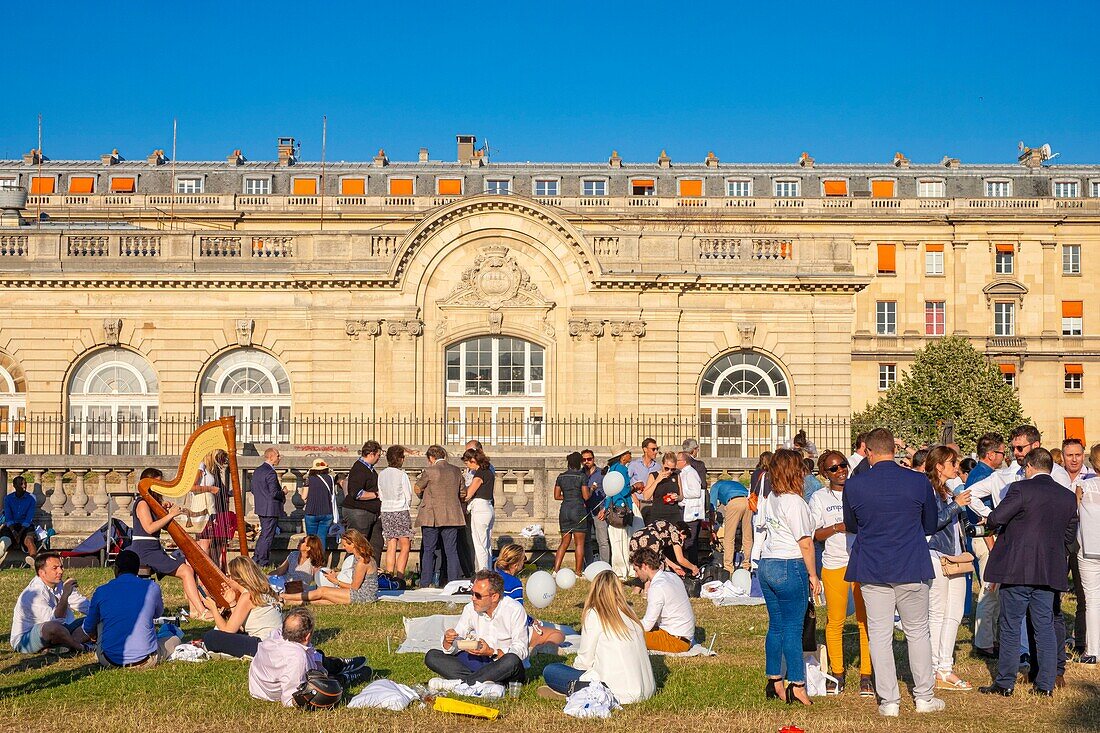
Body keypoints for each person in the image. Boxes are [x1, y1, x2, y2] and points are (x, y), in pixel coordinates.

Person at [843, 428, 945, 717]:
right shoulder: (917, 481)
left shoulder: (855, 485)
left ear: (869, 452)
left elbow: (851, 524)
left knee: (879, 634)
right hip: (910, 562)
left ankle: (889, 701)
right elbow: (930, 523)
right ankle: (924, 696)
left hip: (873, 564)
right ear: (894, 450)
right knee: (917, 632)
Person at [979, 448, 1078, 697]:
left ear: (1030, 467)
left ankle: (1005, 682)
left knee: (1011, 625)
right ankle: (1045, 684)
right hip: (1049, 569)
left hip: (1017, 568)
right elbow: (1069, 535)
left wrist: (990, 521)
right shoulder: (1066, 496)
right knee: (1044, 626)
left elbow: (998, 517)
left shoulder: (1021, 489)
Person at [756, 448, 820, 707]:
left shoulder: (771, 497)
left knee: (776, 626)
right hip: (789, 564)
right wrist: (813, 575)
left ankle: (774, 680)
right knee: (794, 628)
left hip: (768, 562)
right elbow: (805, 543)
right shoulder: (795, 502)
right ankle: (798, 683)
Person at [539, 570, 656, 702]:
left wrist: (574, 669)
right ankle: (573, 690)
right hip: (647, 689)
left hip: (616, 691)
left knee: (551, 670)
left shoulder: (595, 613)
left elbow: (584, 661)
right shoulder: (630, 612)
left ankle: (575, 691)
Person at [809, 450, 872, 697]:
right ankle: (837, 673)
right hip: (834, 564)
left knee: (865, 621)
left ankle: (866, 675)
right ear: (825, 473)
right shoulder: (819, 498)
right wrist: (838, 527)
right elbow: (814, 534)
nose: (840, 471)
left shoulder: (860, 490)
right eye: (833, 468)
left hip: (862, 562)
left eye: (843, 465)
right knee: (835, 621)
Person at [923, 446, 974, 691]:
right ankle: (933, 669)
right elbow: (930, 523)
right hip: (936, 556)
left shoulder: (948, 490)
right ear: (939, 466)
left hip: (956, 556)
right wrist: (956, 505)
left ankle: (946, 666)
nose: (957, 466)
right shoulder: (927, 490)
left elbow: (956, 524)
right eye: (952, 462)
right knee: (937, 613)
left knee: (954, 614)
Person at [424, 569, 528, 686]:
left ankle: (461, 684)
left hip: (502, 663)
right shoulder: (470, 609)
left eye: (478, 595)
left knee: (511, 660)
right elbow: (458, 640)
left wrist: (491, 652)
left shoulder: (514, 610)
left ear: (494, 597)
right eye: (472, 593)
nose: (473, 598)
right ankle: (483, 682)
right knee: (432, 656)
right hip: (480, 662)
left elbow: (521, 650)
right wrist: (448, 641)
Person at [249, 607, 369, 706]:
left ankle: (338, 664)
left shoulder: (276, 635)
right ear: (307, 636)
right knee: (322, 686)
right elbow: (291, 697)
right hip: (272, 692)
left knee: (317, 655)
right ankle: (343, 679)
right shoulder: (297, 658)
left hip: (258, 685)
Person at [130, 468, 209, 618]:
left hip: (154, 549)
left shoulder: (153, 503)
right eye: (158, 483)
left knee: (190, 565)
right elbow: (149, 527)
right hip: (145, 551)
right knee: (186, 571)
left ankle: (195, 609)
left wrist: (165, 512)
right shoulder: (142, 503)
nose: (161, 487)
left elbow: (160, 524)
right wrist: (170, 515)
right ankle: (201, 611)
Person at [82, 549, 178, 668]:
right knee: (174, 639)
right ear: (138, 570)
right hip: (147, 659)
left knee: (101, 619)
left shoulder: (101, 591)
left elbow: (88, 627)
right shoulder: (152, 587)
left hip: (108, 660)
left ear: (116, 569)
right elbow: (157, 614)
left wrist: (96, 637)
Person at [964, 432, 1009, 659]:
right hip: (986, 538)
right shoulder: (984, 475)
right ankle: (984, 642)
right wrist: (991, 518)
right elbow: (970, 500)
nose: (1004, 456)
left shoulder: (980, 472)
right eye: (1002, 452)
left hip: (984, 537)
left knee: (993, 591)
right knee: (989, 590)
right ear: (991, 454)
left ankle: (990, 639)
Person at [10, 551, 91, 654]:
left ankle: (63, 645)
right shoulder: (34, 593)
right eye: (55, 568)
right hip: (25, 640)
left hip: (62, 628)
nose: (61, 571)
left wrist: (101, 612)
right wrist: (65, 595)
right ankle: (79, 647)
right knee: (53, 627)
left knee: (95, 619)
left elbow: (82, 604)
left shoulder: (59, 584)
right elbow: (53, 621)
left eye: (61, 567)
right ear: (42, 573)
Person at [202, 555, 283, 657]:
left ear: (237, 578)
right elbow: (239, 626)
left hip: (262, 646)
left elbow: (228, 631)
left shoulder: (248, 596)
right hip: (276, 643)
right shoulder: (266, 592)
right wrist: (232, 603)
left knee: (211, 636)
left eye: (229, 575)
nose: (228, 579)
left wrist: (213, 609)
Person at [494, 544, 566, 650]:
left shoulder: (491, 576)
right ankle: (538, 649)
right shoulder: (514, 583)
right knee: (558, 635)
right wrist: (531, 621)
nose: (525, 562)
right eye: (524, 559)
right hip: (508, 630)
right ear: (515, 565)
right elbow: (518, 612)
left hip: (490, 625)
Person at [282, 529, 378, 605]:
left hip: (363, 596)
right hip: (363, 594)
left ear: (353, 544)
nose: (343, 548)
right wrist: (336, 574)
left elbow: (355, 587)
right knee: (326, 599)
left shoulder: (362, 561)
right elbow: (356, 575)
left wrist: (335, 581)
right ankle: (294, 602)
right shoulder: (359, 557)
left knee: (322, 591)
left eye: (345, 545)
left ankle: (286, 597)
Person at [415, 445, 466, 587]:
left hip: (431, 515)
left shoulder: (430, 470)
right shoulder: (456, 470)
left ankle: (425, 582)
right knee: (451, 551)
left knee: (429, 550)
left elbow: (418, 487)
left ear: (431, 458)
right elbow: (463, 493)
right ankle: (453, 582)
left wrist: (422, 495)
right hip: (452, 515)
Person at [1062, 438, 1095, 658]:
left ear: (1083, 455)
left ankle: (1081, 640)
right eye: (1069, 455)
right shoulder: (1057, 477)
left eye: (1077, 454)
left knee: (1084, 594)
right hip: (1059, 540)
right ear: (1063, 456)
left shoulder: (1093, 478)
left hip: (1084, 542)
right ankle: (1055, 637)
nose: (1074, 459)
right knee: (1054, 592)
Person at [630, 547, 696, 653]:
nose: (636, 575)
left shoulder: (657, 586)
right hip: (683, 636)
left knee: (627, 635)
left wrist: (627, 624)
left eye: (636, 570)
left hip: (676, 641)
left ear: (644, 566)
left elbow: (647, 625)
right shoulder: (672, 576)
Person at [342, 441, 384, 563]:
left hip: (370, 513)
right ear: (371, 454)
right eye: (378, 455)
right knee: (356, 545)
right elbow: (356, 493)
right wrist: (376, 495)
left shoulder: (368, 469)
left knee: (375, 544)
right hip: (359, 512)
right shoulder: (360, 469)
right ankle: (349, 572)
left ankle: (371, 571)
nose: (378, 458)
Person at [378, 445, 415, 579]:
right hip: (400, 509)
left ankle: (389, 572)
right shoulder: (401, 474)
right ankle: (399, 575)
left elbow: (381, 494)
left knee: (391, 543)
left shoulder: (381, 474)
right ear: (400, 459)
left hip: (386, 510)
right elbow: (408, 495)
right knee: (405, 544)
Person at [552, 451, 590, 575]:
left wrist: (568, 496)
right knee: (579, 543)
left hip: (565, 510)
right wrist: (592, 489)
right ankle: (578, 572)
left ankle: (556, 570)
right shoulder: (582, 477)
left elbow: (556, 496)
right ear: (579, 463)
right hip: (578, 509)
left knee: (564, 542)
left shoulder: (561, 477)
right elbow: (586, 496)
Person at [1076, 470, 1100, 664]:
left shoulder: (1083, 486)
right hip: (1088, 549)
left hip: (1089, 548)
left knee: (1092, 600)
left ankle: (1092, 650)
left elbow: (1074, 513)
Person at [604, 443, 635, 579]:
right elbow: (623, 489)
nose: (630, 455)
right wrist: (634, 487)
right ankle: (621, 570)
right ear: (622, 457)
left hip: (613, 506)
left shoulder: (612, 469)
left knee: (618, 539)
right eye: (628, 453)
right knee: (621, 539)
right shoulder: (621, 469)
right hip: (620, 506)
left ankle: (622, 568)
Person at [462, 446, 496, 573]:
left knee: (479, 544)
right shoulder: (488, 471)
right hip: (488, 507)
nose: (467, 466)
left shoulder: (479, 473)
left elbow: (468, 494)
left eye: (467, 462)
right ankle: (488, 569)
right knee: (487, 544)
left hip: (480, 509)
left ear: (472, 460)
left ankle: (483, 572)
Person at [629, 519, 699, 577]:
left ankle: (637, 588)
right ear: (682, 532)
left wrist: (674, 566)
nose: (683, 541)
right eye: (684, 538)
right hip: (650, 540)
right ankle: (647, 588)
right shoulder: (676, 534)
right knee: (652, 567)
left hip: (636, 537)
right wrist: (693, 567)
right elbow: (680, 559)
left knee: (638, 563)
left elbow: (660, 553)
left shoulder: (667, 526)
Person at [251, 447, 284, 568]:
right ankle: (263, 561)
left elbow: (254, 489)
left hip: (261, 507)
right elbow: (274, 492)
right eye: (278, 456)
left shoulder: (258, 470)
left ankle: (256, 558)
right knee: (267, 536)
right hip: (270, 509)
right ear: (271, 457)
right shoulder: (270, 472)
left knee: (264, 534)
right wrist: (284, 492)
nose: (279, 458)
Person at [711, 473, 751, 573]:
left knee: (729, 537)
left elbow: (712, 507)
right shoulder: (734, 483)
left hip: (734, 502)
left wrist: (711, 526)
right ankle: (747, 564)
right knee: (748, 536)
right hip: (748, 501)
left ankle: (728, 567)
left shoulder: (715, 486)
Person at [1, 475, 39, 566]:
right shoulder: (8, 498)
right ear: (14, 486)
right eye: (21, 484)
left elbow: (29, 518)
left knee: (29, 540)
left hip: (25, 526)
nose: (24, 486)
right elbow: (8, 517)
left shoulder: (31, 498)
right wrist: (13, 531)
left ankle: (34, 560)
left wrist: (20, 532)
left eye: (25, 483)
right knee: (4, 541)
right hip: (11, 526)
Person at [581, 449, 610, 565]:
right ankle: (589, 565)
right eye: (584, 460)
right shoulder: (580, 474)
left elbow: (609, 493)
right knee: (586, 541)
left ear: (594, 459)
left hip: (599, 511)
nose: (587, 461)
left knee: (603, 540)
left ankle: (605, 565)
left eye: (589, 459)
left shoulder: (601, 474)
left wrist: (605, 509)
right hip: (584, 511)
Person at [676, 451, 705, 565]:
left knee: (690, 541)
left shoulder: (691, 473)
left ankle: (692, 566)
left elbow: (696, 492)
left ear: (683, 462)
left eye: (678, 460)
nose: (676, 462)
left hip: (690, 511)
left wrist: (681, 493)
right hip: (684, 509)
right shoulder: (683, 472)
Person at [642, 451, 683, 526]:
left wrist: (677, 497)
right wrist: (657, 480)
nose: (669, 471)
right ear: (662, 464)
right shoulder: (653, 475)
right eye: (667, 468)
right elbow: (646, 496)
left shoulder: (676, 476)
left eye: (673, 469)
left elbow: (681, 497)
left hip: (674, 513)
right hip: (658, 513)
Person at [301, 458, 336, 544]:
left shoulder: (309, 479)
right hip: (327, 512)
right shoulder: (330, 479)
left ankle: (313, 557)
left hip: (311, 512)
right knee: (321, 539)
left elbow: (304, 497)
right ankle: (320, 557)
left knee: (311, 540)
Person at [628, 438, 660, 525]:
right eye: (653, 449)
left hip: (653, 504)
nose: (656, 451)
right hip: (638, 502)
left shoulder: (658, 467)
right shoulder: (634, 465)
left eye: (657, 449)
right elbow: (626, 482)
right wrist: (633, 495)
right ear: (645, 449)